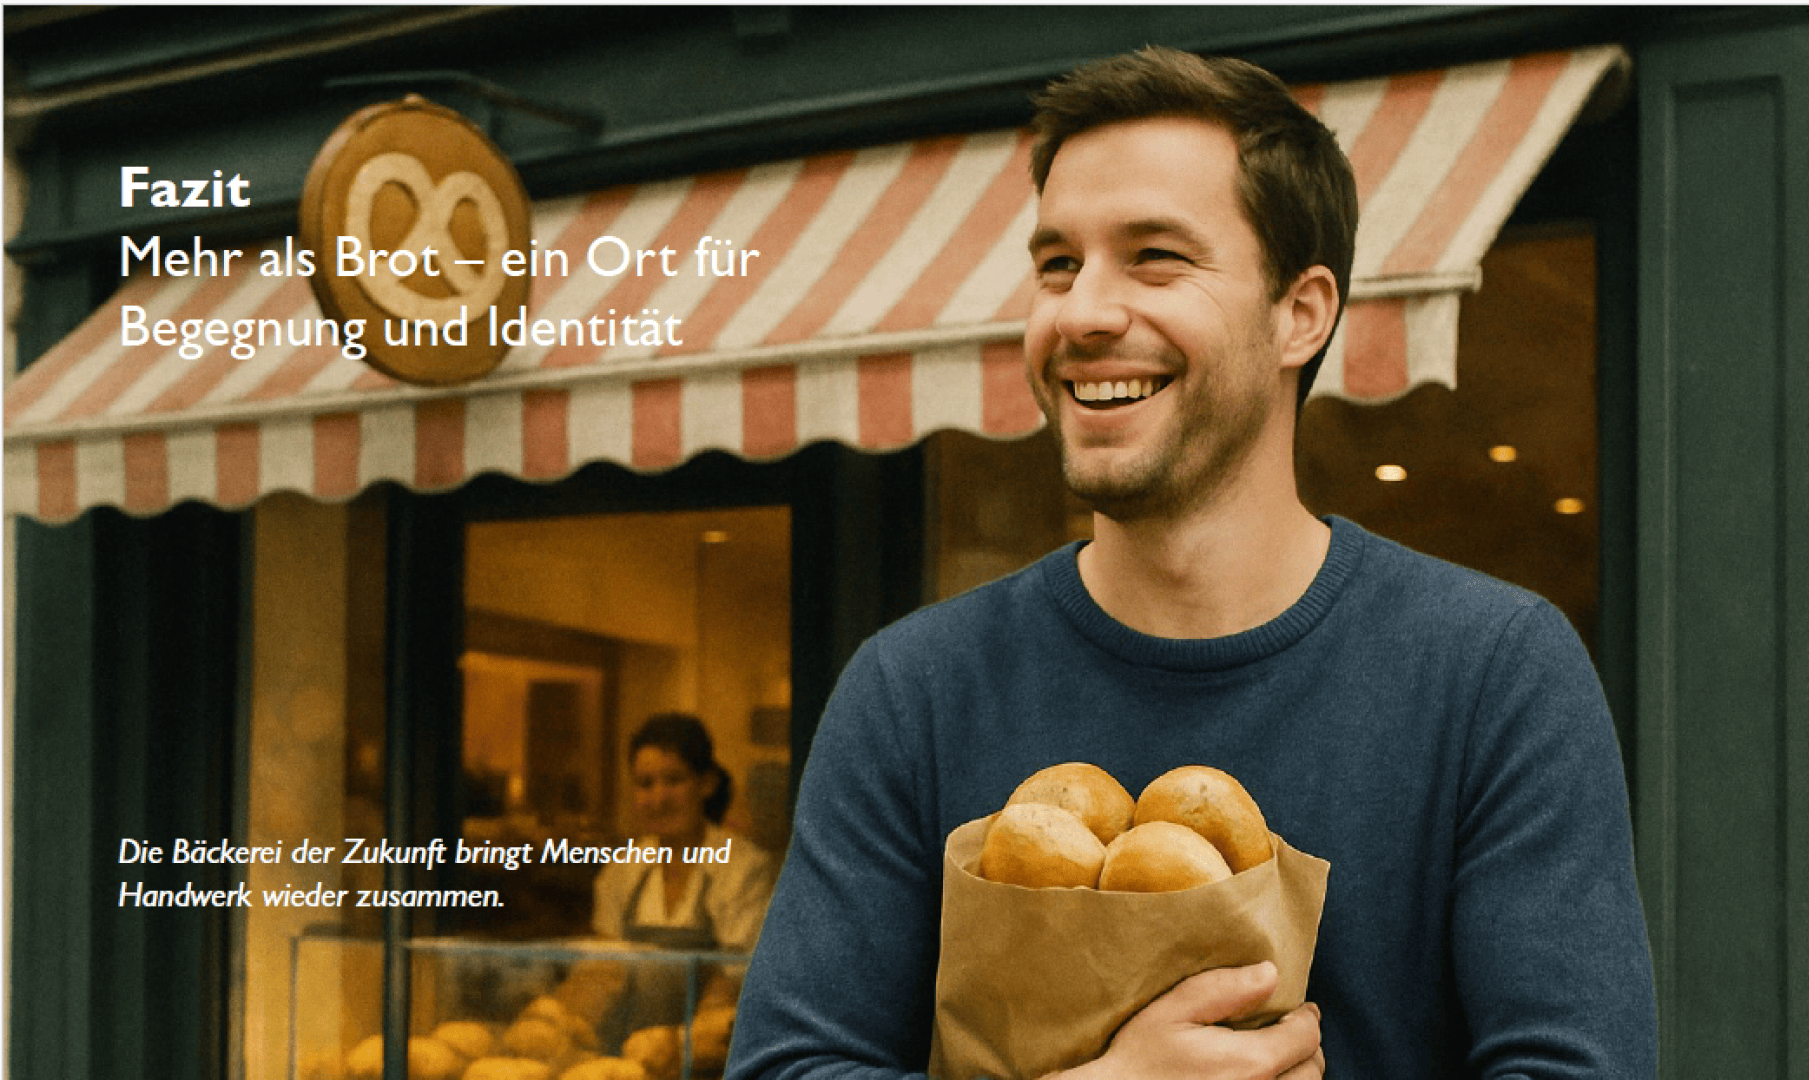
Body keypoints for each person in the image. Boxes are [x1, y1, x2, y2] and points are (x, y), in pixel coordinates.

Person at [728, 46, 1656, 1080]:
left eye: (1155, 257)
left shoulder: (1493, 674)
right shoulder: (911, 691)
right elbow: (786, 1067)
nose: (1082, 312)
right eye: (1056, 265)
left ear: (1299, 313)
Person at [591, 712, 776, 953]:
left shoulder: (744, 868)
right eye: (645, 784)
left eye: (674, 780)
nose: (659, 799)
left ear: (706, 784)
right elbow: (605, 968)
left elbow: (734, 975)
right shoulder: (622, 870)